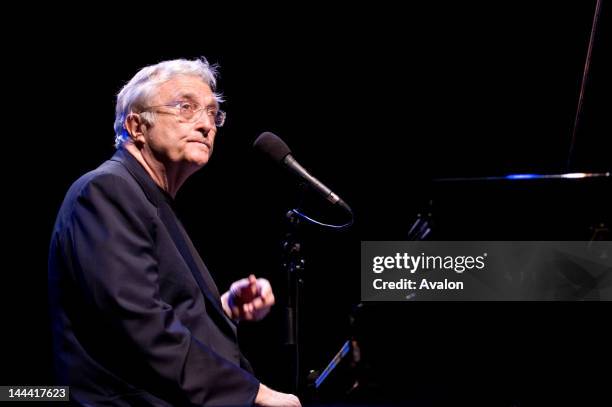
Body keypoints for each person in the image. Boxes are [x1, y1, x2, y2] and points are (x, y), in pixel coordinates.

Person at [48, 57, 301, 406]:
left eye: (213, 113)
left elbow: (150, 304)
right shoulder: (107, 190)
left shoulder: (150, 199)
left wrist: (220, 308)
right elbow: (137, 324)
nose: (206, 125)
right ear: (137, 126)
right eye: (186, 108)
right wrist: (253, 393)